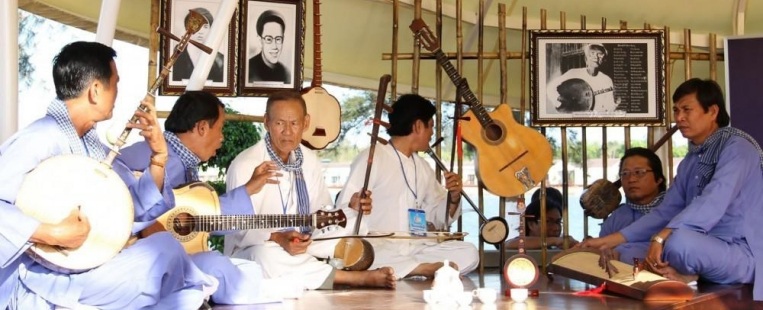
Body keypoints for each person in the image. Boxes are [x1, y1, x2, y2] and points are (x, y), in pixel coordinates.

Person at [0, 41, 216, 309]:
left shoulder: (93, 147)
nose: (117, 93)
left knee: (168, 254)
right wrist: (52, 233)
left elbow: (132, 208)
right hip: (41, 283)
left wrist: (159, 157)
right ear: (96, 90)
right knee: (167, 260)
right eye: (115, 83)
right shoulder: (39, 138)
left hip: (84, 273)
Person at [578, 78, 763, 301]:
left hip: (741, 252)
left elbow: (714, 200)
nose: (679, 118)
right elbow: (665, 212)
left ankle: (689, 275)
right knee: (628, 253)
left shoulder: (738, 148)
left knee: (678, 242)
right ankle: (686, 275)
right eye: (676, 110)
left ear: (712, 111)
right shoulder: (690, 161)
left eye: (686, 109)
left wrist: (661, 237)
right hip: (703, 248)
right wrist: (606, 241)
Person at [117, 91, 305, 304]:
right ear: (202, 128)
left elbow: (199, 216)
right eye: (221, 128)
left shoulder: (179, 159)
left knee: (239, 266)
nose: (222, 137)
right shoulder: (161, 159)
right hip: (130, 264)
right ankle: (272, 291)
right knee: (217, 266)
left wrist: (249, 189)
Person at [225, 90, 396, 290]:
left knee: (349, 229)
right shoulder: (246, 164)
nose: (287, 131)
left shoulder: (309, 160)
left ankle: (312, 268)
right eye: (280, 123)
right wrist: (279, 238)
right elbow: (238, 228)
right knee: (265, 257)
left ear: (305, 123)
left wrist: (351, 207)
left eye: (294, 123)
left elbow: (319, 214)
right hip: (257, 248)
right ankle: (353, 278)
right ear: (266, 122)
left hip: (304, 242)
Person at [336, 94, 479, 279]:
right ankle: (419, 270)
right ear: (418, 126)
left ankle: (412, 269)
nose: (432, 133)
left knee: (469, 252)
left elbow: (438, 218)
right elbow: (343, 209)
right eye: (431, 127)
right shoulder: (373, 156)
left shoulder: (422, 166)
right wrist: (355, 205)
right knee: (364, 253)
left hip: (417, 249)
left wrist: (453, 196)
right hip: (380, 247)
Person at [596, 147, 666, 263]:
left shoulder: (673, 210)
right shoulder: (617, 217)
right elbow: (601, 250)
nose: (631, 179)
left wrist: (623, 251)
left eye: (639, 172)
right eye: (625, 174)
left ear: (658, 179)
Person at [546, 43, 618, 113]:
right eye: (592, 53)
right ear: (586, 59)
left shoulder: (606, 80)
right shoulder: (573, 73)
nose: (596, 57)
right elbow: (551, 87)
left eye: (600, 54)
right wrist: (559, 99)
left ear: (604, 59)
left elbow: (609, 106)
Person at [505, 187, 579, 249]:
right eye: (548, 221)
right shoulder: (517, 243)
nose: (556, 228)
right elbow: (508, 244)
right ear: (531, 224)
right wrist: (554, 241)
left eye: (558, 222)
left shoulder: (558, 245)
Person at [172, 7, 225, 83]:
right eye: (197, 26)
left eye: (205, 27)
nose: (201, 32)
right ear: (187, 28)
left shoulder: (221, 61)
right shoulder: (176, 56)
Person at [247, 9, 290, 84]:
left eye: (278, 39)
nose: (274, 46)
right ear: (260, 41)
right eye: (269, 39)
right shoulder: (248, 69)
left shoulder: (285, 72)